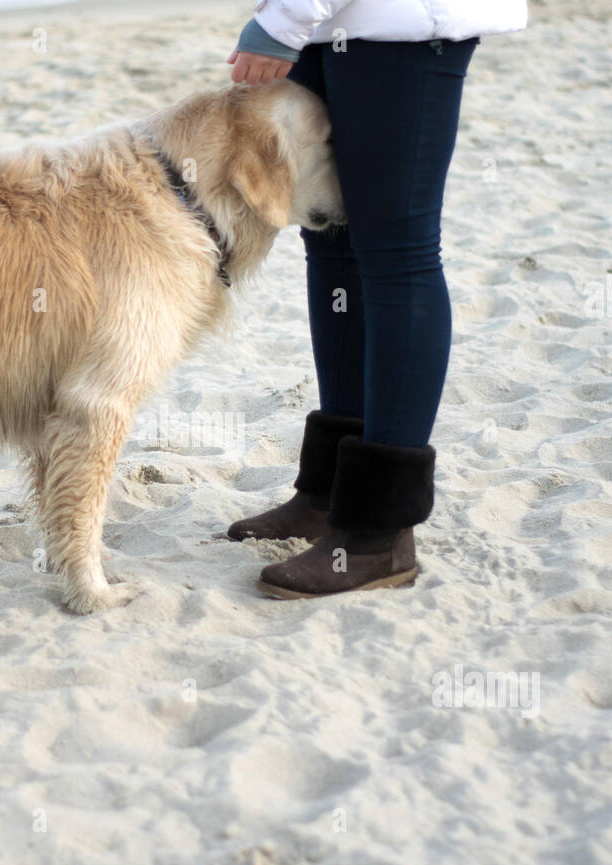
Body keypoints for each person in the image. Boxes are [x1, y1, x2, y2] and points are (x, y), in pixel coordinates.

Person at [225, 0, 528, 598]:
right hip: (330, 21)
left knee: (398, 253)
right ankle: (329, 492)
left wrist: (285, 17)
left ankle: (377, 534)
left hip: (401, 24)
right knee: (329, 237)